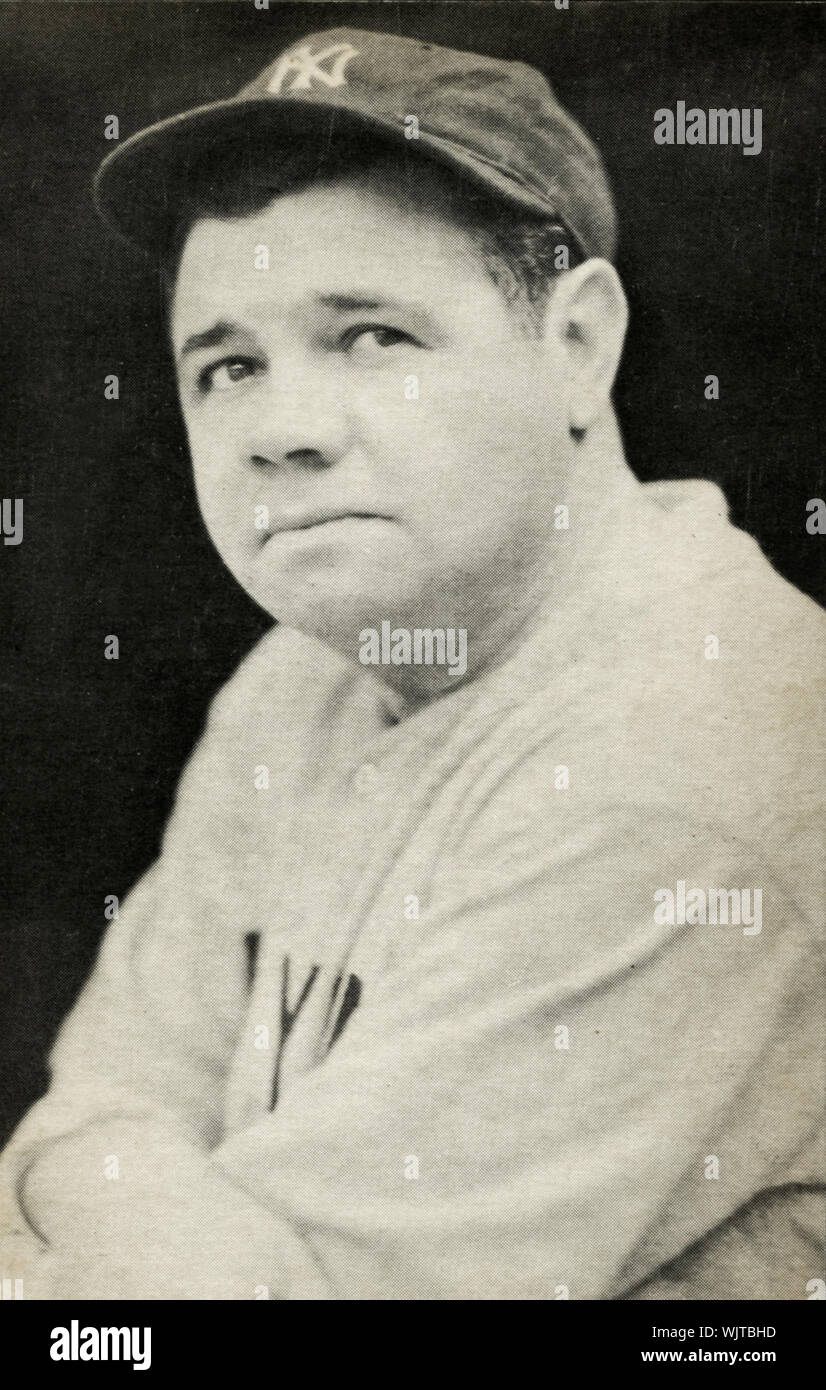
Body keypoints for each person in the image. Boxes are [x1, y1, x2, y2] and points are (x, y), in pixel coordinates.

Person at [0, 26, 822, 1301]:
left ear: (579, 344)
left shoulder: (682, 757)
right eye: (227, 366)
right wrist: (110, 1190)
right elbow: (95, 1106)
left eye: (372, 337)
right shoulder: (305, 679)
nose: (280, 431)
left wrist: (108, 1209)